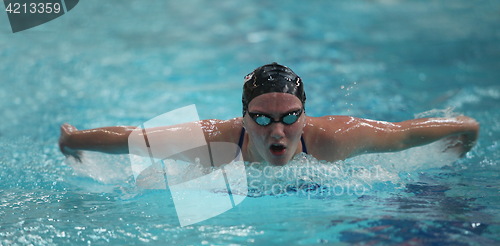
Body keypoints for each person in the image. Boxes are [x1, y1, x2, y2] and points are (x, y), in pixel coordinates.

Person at [59, 63, 479, 167]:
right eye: (261, 118)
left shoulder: (336, 138)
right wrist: (72, 140)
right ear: (242, 118)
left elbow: (405, 134)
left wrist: (464, 138)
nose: (277, 131)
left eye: (290, 116)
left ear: (304, 112)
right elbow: (135, 138)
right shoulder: (216, 140)